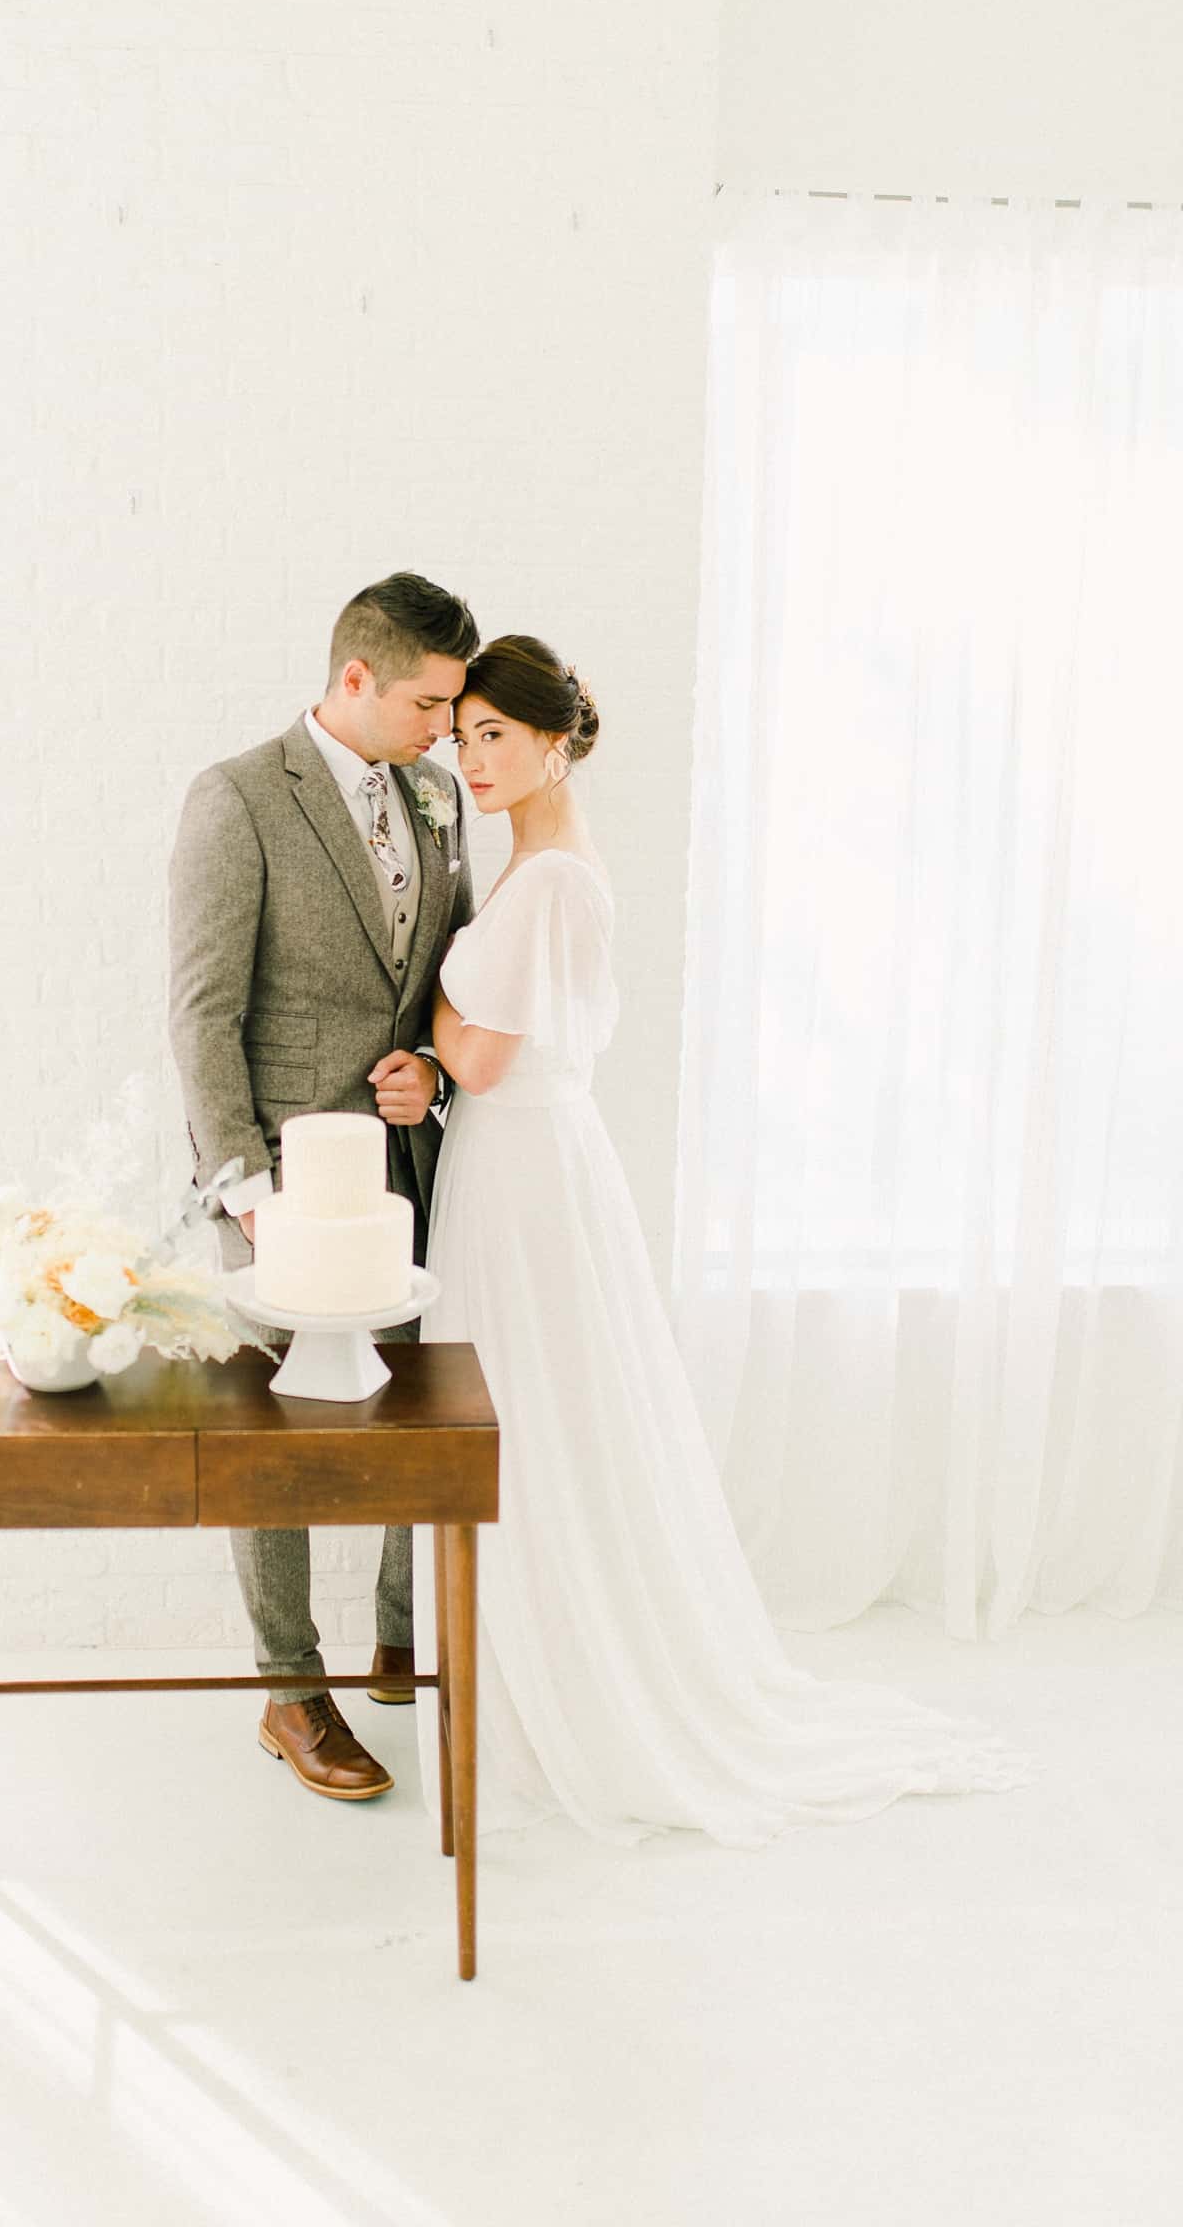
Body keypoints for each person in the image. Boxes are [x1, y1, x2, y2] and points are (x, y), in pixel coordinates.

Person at [412, 634, 1034, 1845]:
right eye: (461, 735)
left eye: (494, 735)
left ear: (554, 742)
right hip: (532, 1159)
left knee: (529, 1414)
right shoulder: (547, 870)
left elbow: (477, 1055)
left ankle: (565, 1685)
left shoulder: (544, 882)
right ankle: (541, 1664)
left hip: (525, 1166)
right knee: (545, 1415)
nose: (471, 757)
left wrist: (433, 995)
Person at [168, 571, 478, 1801]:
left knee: (420, 1398)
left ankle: (400, 1633)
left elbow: (446, 980)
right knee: (279, 1441)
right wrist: (245, 1191)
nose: (444, 730)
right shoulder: (238, 798)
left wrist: (434, 1076)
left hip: (412, 1171)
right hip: (284, 1189)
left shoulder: (440, 795)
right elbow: (201, 1011)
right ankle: (289, 1690)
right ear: (355, 678)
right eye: (426, 703)